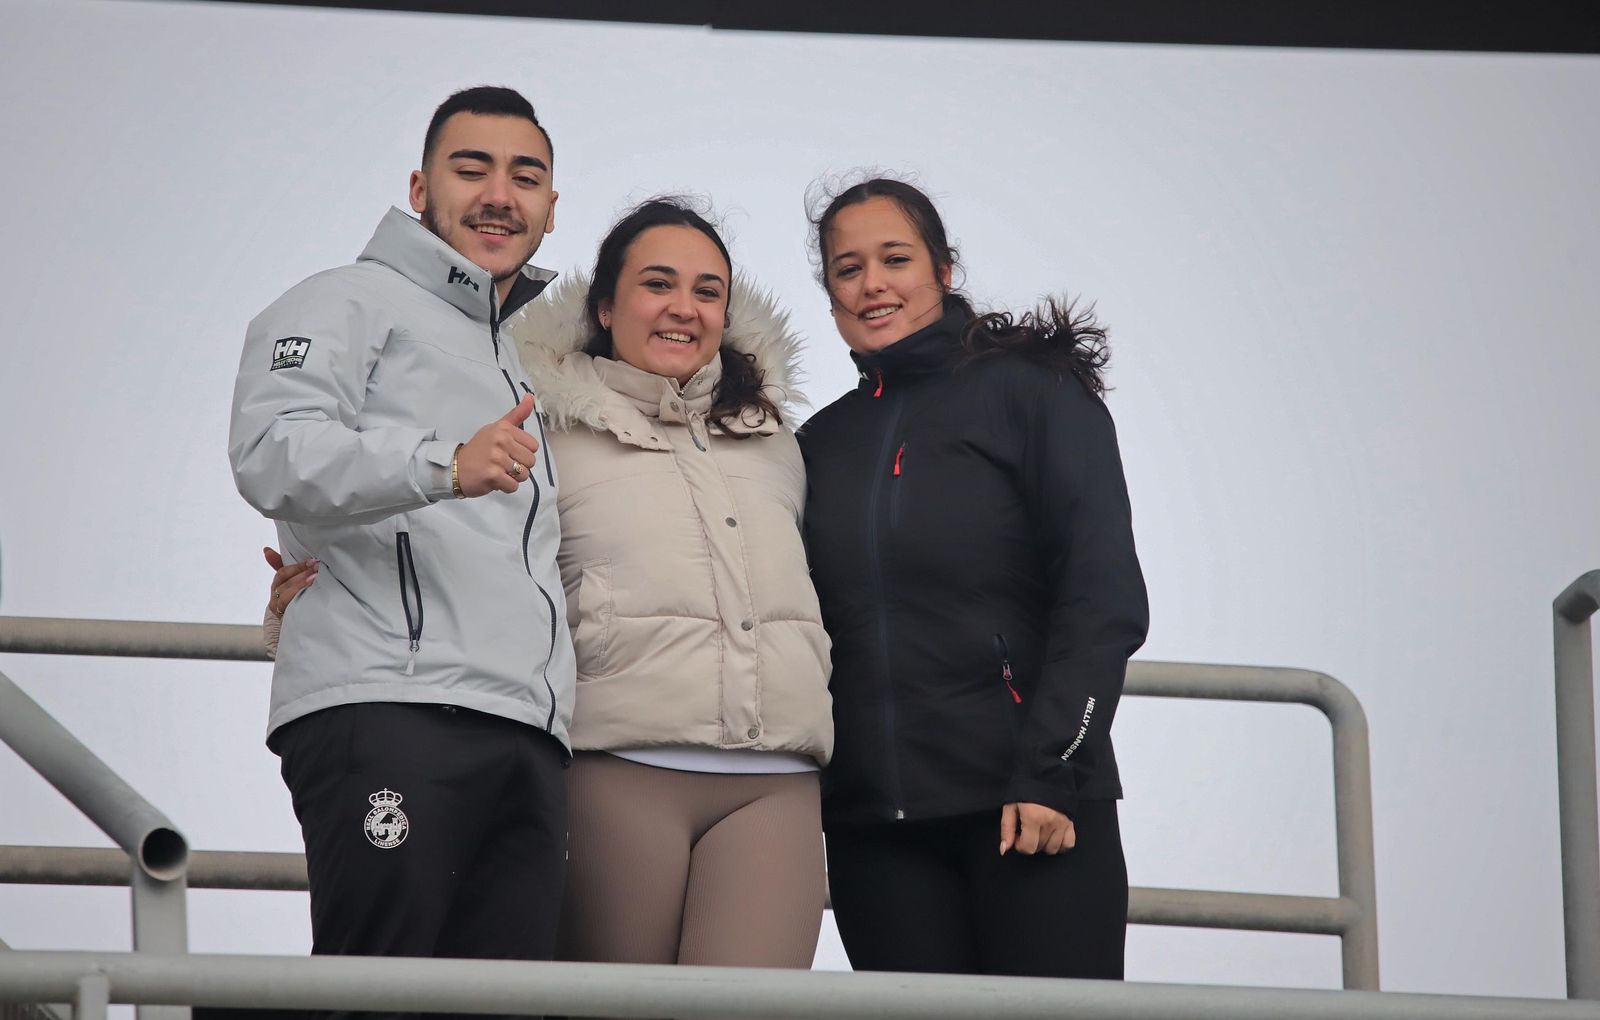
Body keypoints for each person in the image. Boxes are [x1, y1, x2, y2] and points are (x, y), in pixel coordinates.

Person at [265, 198, 834, 976]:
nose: (683, 308)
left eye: (708, 291)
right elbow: (449, 543)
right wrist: (314, 603)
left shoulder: (777, 442)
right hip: (617, 767)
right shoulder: (539, 428)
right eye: (657, 284)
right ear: (605, 305)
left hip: (777, 782)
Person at [227, 85, 576, 1006]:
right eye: (473, 169)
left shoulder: (526, 352)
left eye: (525, 176)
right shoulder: (344, 299)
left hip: (526, 734)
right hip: (389, 710)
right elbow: (272, 451)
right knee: (375, 993)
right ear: (420, 188)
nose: (499, 193)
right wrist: (443, 465)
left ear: (550, 207)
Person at [796, 177, 1149, 979]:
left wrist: (1054, 772)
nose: (872, 283)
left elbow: (1104, 596)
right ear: (830, 293)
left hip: (1027, 807)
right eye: (847, 269)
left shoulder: (1034, 393)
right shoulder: (821, 443)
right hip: (875, 833)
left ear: (944, 270)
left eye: (896, 258)